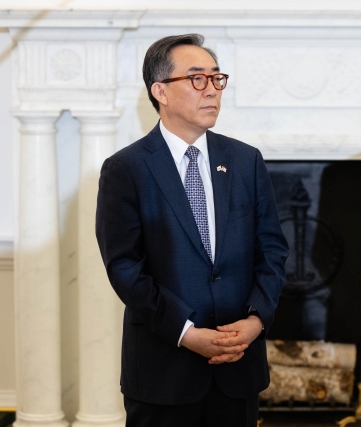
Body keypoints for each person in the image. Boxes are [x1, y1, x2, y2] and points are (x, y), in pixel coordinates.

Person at [96, 34, 288, 427]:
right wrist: (186, 333)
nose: (212, 90)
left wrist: (255, 322)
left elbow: (272, 251)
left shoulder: (245, 161)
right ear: (160, 91)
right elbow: (125, 269)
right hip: (163, 371)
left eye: (217, 79)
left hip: (238, 368)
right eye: (197, 79)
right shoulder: (126, 169)